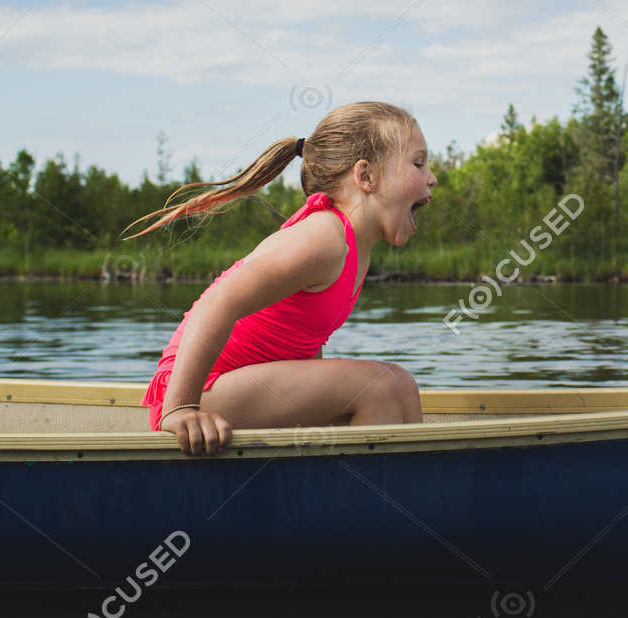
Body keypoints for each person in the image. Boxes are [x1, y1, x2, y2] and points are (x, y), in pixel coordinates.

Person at [124, 101, 435, 456]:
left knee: (401, 389)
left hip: (243, 391)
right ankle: (362, 507)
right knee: (382, 386)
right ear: (365, 177)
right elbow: (217, 301)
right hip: (197, 394)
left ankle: (394, 501)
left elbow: (301, 340)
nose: (431, 177)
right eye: (418, 163)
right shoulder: (324, 237)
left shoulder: (357, 248)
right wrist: (180, 408)